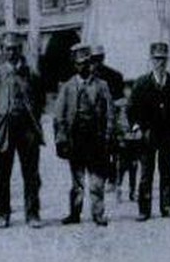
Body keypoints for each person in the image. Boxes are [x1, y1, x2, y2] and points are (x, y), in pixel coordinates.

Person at [0, 32, 44, 229]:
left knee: (31, 175)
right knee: (1, 174)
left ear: (21, 50)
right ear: (2, 50)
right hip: (3, 130)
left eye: (15, 49)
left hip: (27, 130)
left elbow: (39, 100)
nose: (12, 52)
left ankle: (33, 214)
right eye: (7, 49)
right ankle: (2, 214)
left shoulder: (31, 74)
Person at [54, 43, 113, 226]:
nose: (84, 67)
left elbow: (110, 112)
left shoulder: (102, 86)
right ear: (74, 65)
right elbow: (59, 115)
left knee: (97, 180)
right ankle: (75, 213)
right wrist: (61, 138)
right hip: (76, 139)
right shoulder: (68, 87)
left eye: (87, 63)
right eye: (80, 63)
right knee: (77, 181)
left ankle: (98, 213)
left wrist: (109, 134)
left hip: (95, 138)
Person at [128, 42, 170, 220]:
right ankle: (144, 210)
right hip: (148, 135)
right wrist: (136, 127)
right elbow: (131, 109)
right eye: (156, 59)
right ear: (151, 60)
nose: (160, 63)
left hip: (168, 134)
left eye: (163, 59)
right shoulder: (141, 83)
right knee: (146, 173)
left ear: (167, 61)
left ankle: (166, 206)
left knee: (166, 172)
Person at [89, 45, 124, 190]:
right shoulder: (88, 77)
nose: (96, 63)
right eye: (93, 59)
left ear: (103, 58)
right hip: (93, 119)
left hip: (110, 117)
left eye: (98, 59)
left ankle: (112, 178)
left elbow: (120, 98)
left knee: (112, 149)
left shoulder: (114, 76)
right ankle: (99, 176)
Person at [114, 82, 141, 202]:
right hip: (122, 138)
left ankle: (132, 191)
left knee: (134, 166)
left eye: (131, 89)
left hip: (134, 138)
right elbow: (114, 120)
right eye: (127, 89)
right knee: (121, 165)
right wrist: (117, 135)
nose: (129, 92)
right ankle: (118, 188)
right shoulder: (118, 104)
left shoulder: (137, 103)